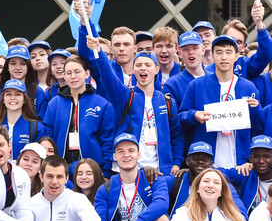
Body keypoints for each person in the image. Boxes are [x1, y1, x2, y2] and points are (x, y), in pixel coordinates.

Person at [82, 35, 182, 178]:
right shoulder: (125, 95)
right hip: (128, 170)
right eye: (139, 65)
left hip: (161, 171)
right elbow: (109, 77)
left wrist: (176, 163)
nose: (143, 68)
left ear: (156, 69)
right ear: (133, 70)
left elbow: (177, 135)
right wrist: (99, 52)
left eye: (148, 65)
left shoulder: (167, 101)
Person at [180, 34, 261, 168]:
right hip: (206, 161)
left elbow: (257, 126)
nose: (224, 57)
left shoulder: (248, 87)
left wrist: (256, 109)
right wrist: (194, 115)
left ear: (236, 56)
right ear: (212, 56)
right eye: (219, 52)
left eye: (228, 52)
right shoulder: (196, 85)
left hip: (239, 164)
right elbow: (182, 116)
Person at [42, 55, 116, 174]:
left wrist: (106, 171)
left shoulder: (102, 104)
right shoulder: (54, 104)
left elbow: (107, 141)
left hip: (93, 169)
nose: (73, 76)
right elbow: (49, 138)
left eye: (77, 72)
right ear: (64, 76)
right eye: (68, 73)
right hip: (61, 169)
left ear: (87, 74)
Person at [169, 141, 245, 216]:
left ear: (211, 164)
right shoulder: (175, 181)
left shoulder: (222, 185)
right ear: (187, 161)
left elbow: (241, 214)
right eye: (196, 158)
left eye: (205, 159)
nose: (200, 162)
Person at [0, 45, 48, 119]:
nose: (18, 68)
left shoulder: (38, 92)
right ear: (7, 67)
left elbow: (42, 120)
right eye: (13, 63)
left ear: (28, 67)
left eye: (22, 64)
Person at [0, 79, 47, 158]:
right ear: (3, 99)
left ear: (24, 100)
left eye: (17, 94)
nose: (13, 98)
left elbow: (41, 157)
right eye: (8, 94)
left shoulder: (37, 128)